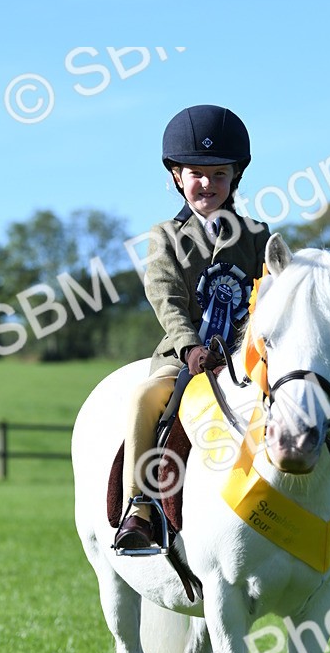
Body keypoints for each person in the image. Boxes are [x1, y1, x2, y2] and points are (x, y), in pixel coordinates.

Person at [114, 104, 270, 551]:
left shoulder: (257, 236)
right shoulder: (164, 236)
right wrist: (188, 346)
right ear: (177, 177)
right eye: (196, 173)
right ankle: (139, 508)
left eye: (219, 174)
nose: (208, 184)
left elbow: (271, 295)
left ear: (234, 179)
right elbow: (166, 296)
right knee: (145, 398)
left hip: (245, 361)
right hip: (187, 357)